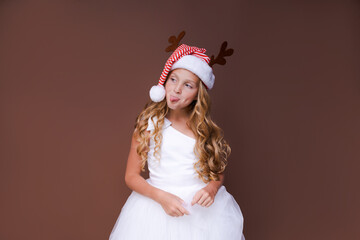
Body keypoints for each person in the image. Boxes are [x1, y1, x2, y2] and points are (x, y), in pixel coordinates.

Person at [109, 43, 245, 240]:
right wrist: (161, 198)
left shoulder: (204, 130)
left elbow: (217, 173)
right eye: (173, 80)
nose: (177, 89)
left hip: (201, 216)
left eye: (188, 85)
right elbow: (131, 176)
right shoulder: (149, 125)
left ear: (198, 94)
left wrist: (211, 189)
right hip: (156, 209)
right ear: (164, 81)